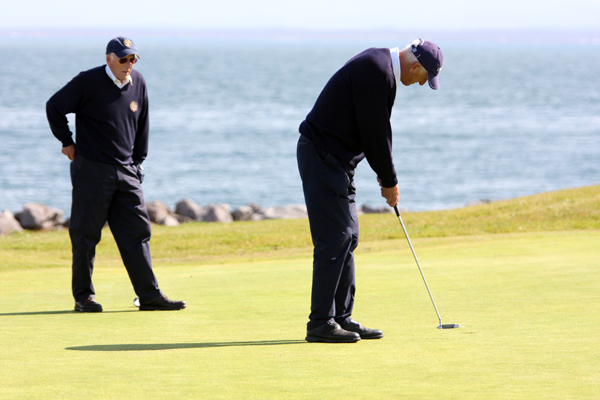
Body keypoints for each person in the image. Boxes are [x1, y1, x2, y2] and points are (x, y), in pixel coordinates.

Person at [297, 39, 443, 342]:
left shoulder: (381, 66)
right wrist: (389, 181)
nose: (420, 83)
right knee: (335, 238)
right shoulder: (378, 71)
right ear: (416, 66)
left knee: (348, 237)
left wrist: (385, 176)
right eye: (424, 77)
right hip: (322, 157)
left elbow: (373, 131)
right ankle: (320, 323)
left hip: (337, 161)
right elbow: (375, 133)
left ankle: (341, 317)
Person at [46, 37, 186, 312]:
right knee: (85, 235)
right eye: (123, 59)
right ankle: (84, 297)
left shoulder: (139, 82)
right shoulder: (88, 81)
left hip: (126, 170)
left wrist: (138, 161)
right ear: (109, 58)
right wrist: (67, 141)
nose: (129, 64)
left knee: (138, 233)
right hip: (92, 169)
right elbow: (54, 106)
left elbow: (142, 123)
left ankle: (149, 296)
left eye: (133, 59)